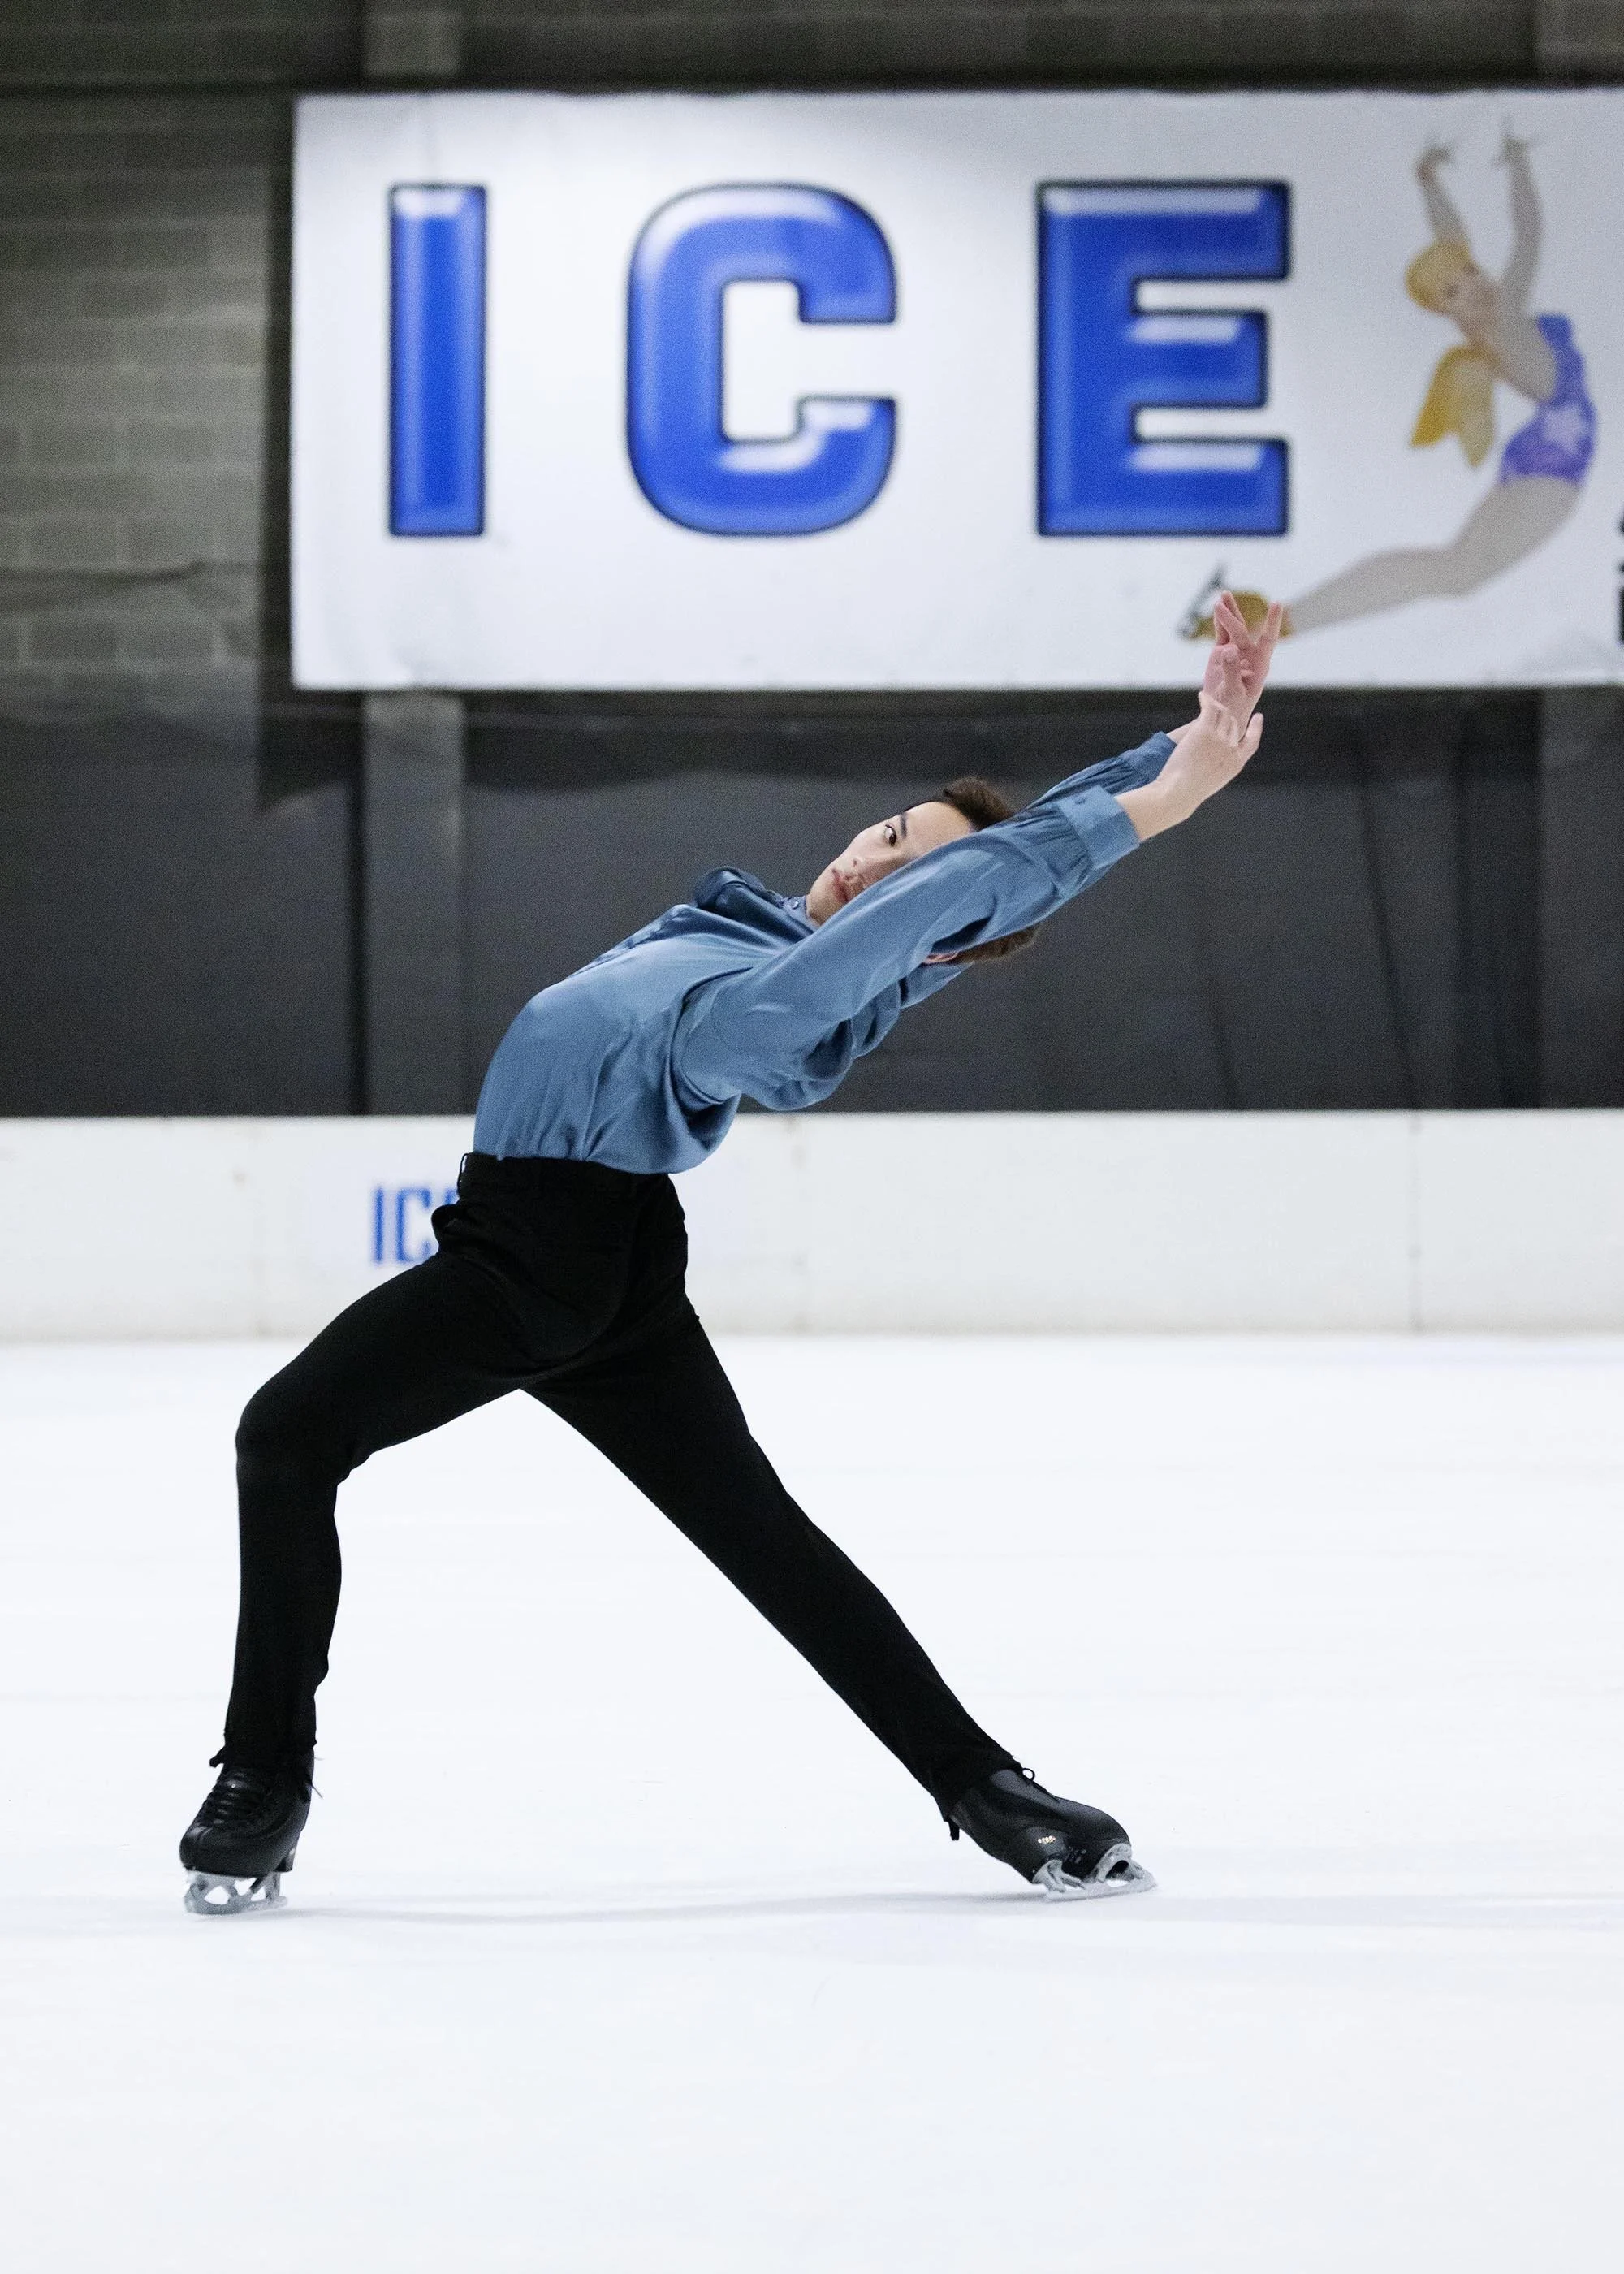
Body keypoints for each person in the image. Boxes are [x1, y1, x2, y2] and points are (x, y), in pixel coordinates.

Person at [178, 599, 1279, 1916]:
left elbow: (974, 889)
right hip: (602, 1256)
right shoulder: (743, 929)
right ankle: (993, 1794)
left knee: (286, 1436)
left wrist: (1161, 807)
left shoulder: (790, 990)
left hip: (545, 1255)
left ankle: (263, 1785)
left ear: (934, 925)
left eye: (911, 872)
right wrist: (1175, 742)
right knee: (769, 1541)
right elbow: (1002, 846)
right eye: (885, 834)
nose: (873, 865)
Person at [1186, 134, 1593, 642]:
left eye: (1471, 271)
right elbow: (1526, 236)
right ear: (1448, 309)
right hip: (1554, 458)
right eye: (1454, 289)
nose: (1474, 282)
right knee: (1455, 572)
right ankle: (1278, 622)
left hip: (1545, 451)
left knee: (1454, 569)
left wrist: (1430, 181)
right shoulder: (1501, 319)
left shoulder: (1492, 322)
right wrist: (1516, 166)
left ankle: (1282, 621)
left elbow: (1455, 238)